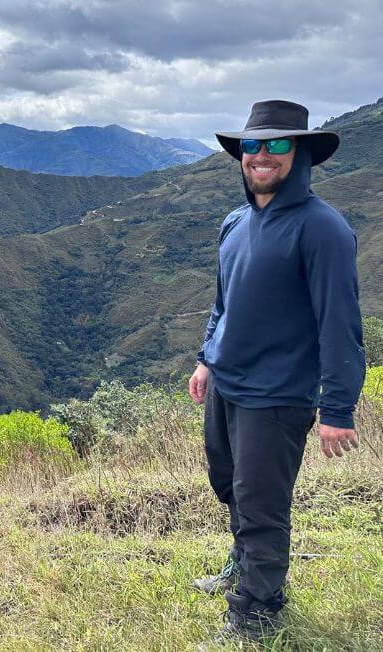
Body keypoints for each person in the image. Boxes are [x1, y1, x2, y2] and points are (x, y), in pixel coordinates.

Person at [186, 99, 365, 644]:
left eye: (278, 145)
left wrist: (337, 407)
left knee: (263, 505)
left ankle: (258, 612)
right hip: (227, 383)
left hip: (278, 395)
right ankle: (241, 569)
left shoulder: (323, 230)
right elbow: (224, 303)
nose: (262, 156)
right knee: (232, 488)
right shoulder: (236, 221)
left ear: (302, 154)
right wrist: (204, 357)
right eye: (252, 145)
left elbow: (341, 325)